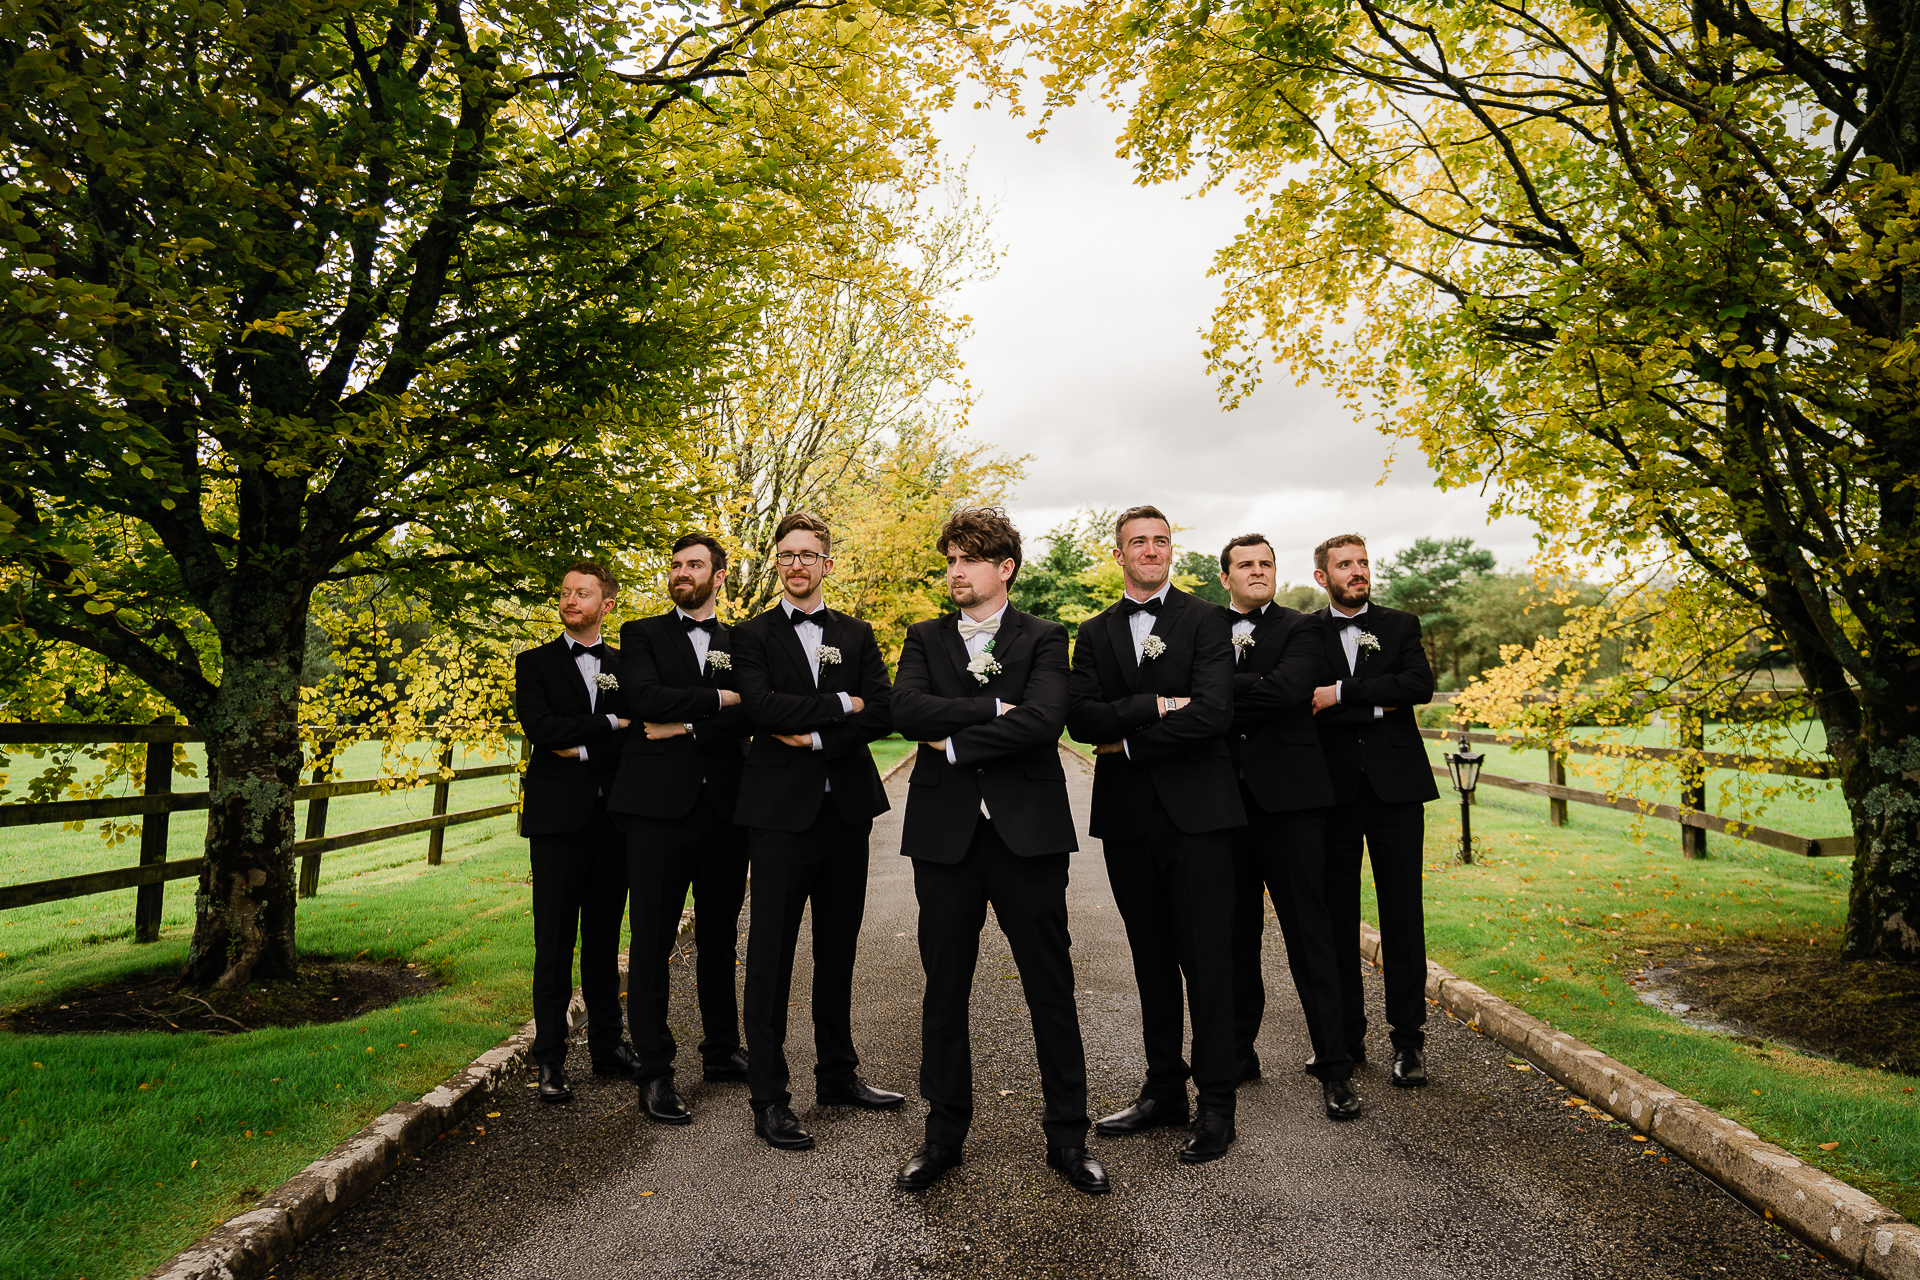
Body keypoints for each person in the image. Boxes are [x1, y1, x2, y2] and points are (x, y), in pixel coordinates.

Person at [889, 507, 1108, 1195]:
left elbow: (1045, 721)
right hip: (944, 839)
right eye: (949, 559)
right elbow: (905, 712)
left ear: (1004, 567)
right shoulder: (924, 638)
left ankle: (1068, 1139)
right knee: (944, 989)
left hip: (1029, 837)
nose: (955, 570)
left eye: (969, 558)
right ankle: (943, 1136)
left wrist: (951, 742)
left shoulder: (1045, 637)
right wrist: (990, 712)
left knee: (1051, 986)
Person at [1066, 505, 1246, 1164]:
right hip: (1127, 822)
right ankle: (1163, 1089)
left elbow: (1216, 714)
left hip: (1200, 817)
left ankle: (1218, 1105)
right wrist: (1159, 705)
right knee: (1150, 960)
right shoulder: (1092, 632)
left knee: (1207, 961)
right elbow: (1081, 719)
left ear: (1172, 550)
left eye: (1161, 540)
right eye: (1138, 542)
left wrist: (1132, 743)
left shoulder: (1205, 621)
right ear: (1119, 555)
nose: (1151, 550)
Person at [731, 511, 902, 1151]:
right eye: (787, 555)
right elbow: (762, 707)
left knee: (839, 949)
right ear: (778, 564)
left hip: (846, 813)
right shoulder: (750, 637)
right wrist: (840, 704)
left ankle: (838, 1074)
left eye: (808, 554)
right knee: (771, 955)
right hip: (778, 816)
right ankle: (769, 1097)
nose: (797, 564)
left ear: (828, 564)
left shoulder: (856, 635)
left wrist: (817, 730)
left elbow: (883, 710)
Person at [607, 533, 754, 1125]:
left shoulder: (742, 641)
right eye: (675, 565)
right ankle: (656, 1072)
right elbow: (642, 698)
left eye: (695, 565)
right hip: (656, 812)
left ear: (719, 577)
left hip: (724, 809)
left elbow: (755, 708)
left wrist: (688, 725)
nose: (682, 573)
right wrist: (719, 699)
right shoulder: (641, 634)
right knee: (651, 941)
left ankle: (721, 1051)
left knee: (719, 936)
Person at [1215, 535, 1359, 1120]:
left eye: (1266, 564)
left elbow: (1292, 689)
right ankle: (1239, 1054)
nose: (1258, 572)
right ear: (1225, 576)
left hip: (1294, 803)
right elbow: (1266, 695)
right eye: (1245, 565)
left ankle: (1335, 1065)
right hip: (1222, 801)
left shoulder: (1303, 629)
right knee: (1232, 935)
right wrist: (1263, 692)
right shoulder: (1200, 627)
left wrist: (1217, 694)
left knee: (1310, 932)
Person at [1310, 534, 1440, 1086]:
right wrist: (1382, 704)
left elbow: (1420, 686)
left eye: (1363, 562)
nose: (1357, 571)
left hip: (1398, 792)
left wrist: (1340, 696)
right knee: (1337, 917)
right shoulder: (1304, 632)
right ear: (1323, 577)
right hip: (1332, 795)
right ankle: (1347, 1039)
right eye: (1345, 565)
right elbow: (1301, 703)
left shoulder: (1400, 624)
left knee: (1403, 917)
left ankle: (1409, 1043)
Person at [512, 561, 639, 1103]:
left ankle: (609, 1048)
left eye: (582, 593)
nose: (570, 600)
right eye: (564, 592)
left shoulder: (627, 665)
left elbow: (640, 732)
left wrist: (581, 742)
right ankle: (550, 1060)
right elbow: (541, 730)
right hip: (557, 825)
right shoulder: (535, 663)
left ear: (605, 604)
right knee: (554, 943)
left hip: (614, 822)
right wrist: (609, 727)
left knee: (606, 943)